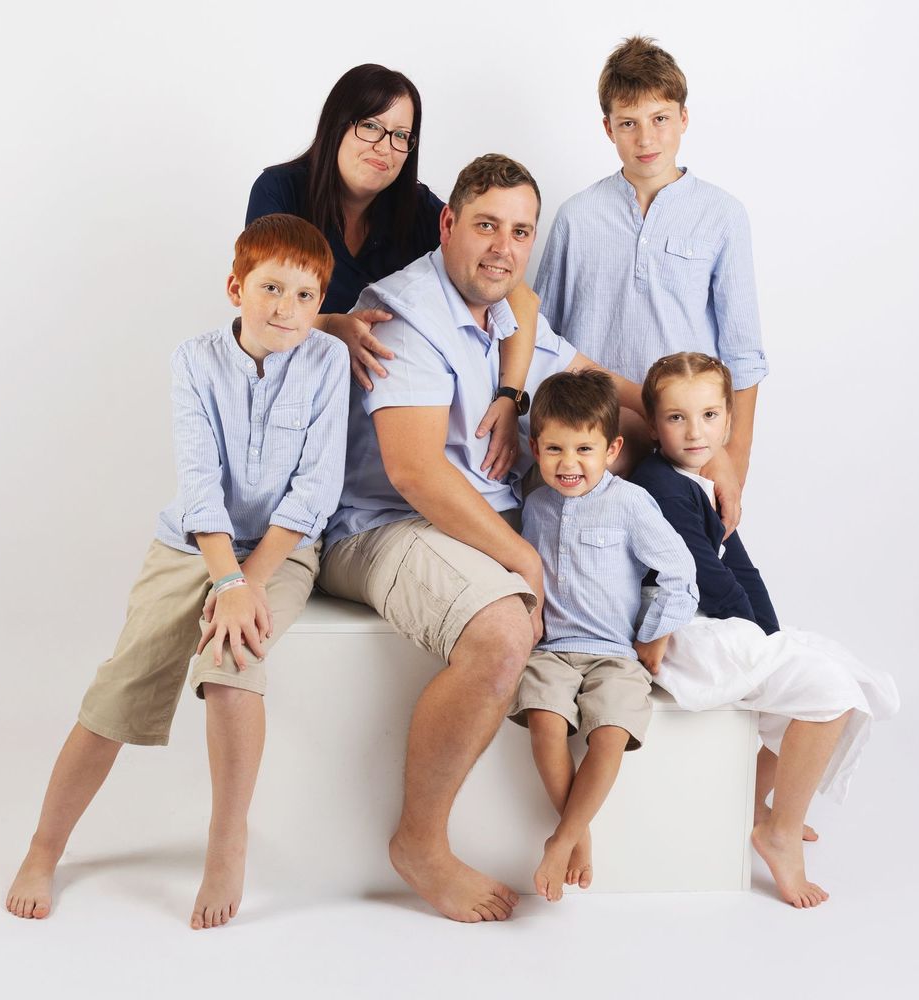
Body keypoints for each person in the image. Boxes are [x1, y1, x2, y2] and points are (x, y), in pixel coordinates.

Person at [317, 154, 639, 923]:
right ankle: (419, 844)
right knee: (504, 629)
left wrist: (685, 427)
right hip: (382, 525)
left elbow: (603, 391)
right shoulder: (404, 311)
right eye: (487, 225)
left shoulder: (508, 317)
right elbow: (415, 471)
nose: (503, 246)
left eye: (521, 231)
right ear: (448, 224)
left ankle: (572, 818)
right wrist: (523, 556)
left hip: (477, 525)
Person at [4, 215, 350, 928]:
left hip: (281, 550)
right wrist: (224, 580)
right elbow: (199, 482)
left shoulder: (326, 364)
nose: (286, 308)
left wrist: (250, 584)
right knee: (120, 686)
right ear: (236, 288)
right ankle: (44, 846)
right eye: (271, 288)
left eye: (305, 295)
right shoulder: (192, 361)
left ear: (321, 304)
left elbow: (314, 491)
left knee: (233, 663)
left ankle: (227, 842)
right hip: (191, 544)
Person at [630, 352, 900, 908]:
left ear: (728, 421)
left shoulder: (699, 480)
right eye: (677, 418)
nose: (695, 430)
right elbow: (704, 576)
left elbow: (740, 565)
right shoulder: (662, 484)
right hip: (687, 629)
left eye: (708, 415)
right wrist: (757, 635)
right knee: (828, 692)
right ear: (654, 424)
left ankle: (751, 806)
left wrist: (771, 632)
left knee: (836, 675)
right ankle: (776, 833)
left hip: (720, 618)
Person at [247, 64, 537, 483]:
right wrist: (329, 325)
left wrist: (510, 396)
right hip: (283, 415)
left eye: (401, 135)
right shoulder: (280, 192)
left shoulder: (417, 210)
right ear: (337, 125)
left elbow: (516, 293)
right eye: (371, 126)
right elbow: (261, 311)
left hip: (368, 432)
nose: (385, 147)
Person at [534, 35, 767, 527]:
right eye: (628, 123)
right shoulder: (577, 217)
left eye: (660, 119)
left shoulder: (722, 216)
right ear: (608, 128)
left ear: (683, 118)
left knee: (694, 584)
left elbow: (743, 355)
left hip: (688, 444)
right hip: (591, 444)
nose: (646, 139)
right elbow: (541, 337)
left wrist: (733, 463)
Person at [507, 370, 697, 901]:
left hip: (616, 653)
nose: (569, 465)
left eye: (584, 449)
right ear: (534, 447)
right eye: (554, 450)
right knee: (544, 722)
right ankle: (578, 831)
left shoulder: (630, 503)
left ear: (612, 448)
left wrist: (653, 634)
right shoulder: (535, 506)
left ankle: (561, 837)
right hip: (552, 652)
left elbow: (680, 572)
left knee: (608, 732)